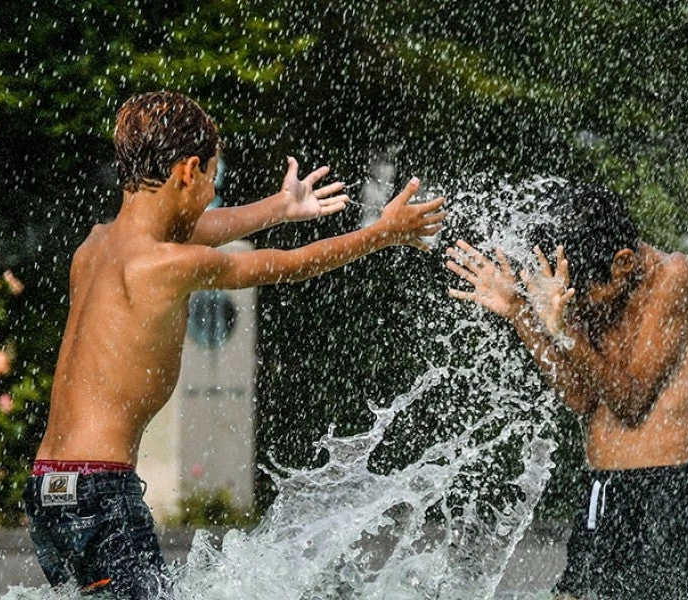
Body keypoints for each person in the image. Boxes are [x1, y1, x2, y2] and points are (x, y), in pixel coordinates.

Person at [24, 91, 445, 598]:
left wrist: (281, 206)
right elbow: (287, 265)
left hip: (49, 489)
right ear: (189, 170)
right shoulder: (169, 265)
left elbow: (197, 227)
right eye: (211, 179)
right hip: (100, 490)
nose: (209, 194)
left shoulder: (94, 247)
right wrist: (380, 233)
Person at [445, 183, 688, 599]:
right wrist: (522, 314)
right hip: (602, 487)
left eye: (584, 295)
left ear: (623, 262)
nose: (580, 305)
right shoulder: (589, 291)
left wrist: (563, 328)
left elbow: (630, 402)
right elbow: (580, 397)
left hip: (664, 491)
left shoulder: (676, 277)